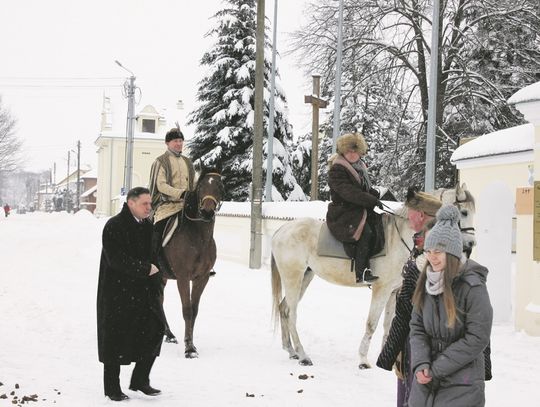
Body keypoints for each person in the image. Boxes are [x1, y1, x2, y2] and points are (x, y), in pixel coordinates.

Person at [408, 205, 493, 406]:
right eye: (428, 250)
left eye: (438, 251)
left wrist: (438, 367)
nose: (432, 256)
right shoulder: (426, 282)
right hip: (427, 379)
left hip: (463, 381)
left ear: (452, 252)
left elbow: (477, 337)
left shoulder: (472, 286)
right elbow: (417, 327)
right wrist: (421, 363)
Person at [97, 187, 164, 401]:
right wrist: (144, 269)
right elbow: (115, 259)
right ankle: (112, 388)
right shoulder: (113, 226)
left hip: (144, 292)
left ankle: (140, 380)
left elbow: (156, 256)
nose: (149, 208)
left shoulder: (148, 226)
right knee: (115, 339)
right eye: (145, 204)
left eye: (150, 204)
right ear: (131, 203)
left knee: (155, 330)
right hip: (117, 293)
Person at [376, 187, 442, 406]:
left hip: (423, 347)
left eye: (410, 212)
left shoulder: (433, 254)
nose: (407, 216)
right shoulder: (421, 244)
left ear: (421, 215)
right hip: (413, 345)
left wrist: (389, 351)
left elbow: (406, 310)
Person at [326, 132, 383, 283]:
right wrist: (370, 200)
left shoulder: (359, 167)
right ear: (342, 152)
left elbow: (362, 189)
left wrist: (374, 195)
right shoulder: (337, 169)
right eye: (348, 151)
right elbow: (349, 192)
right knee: (366, 232)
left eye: (355, 151)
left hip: (357, 209)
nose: (352, 154)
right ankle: (361, 272)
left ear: (360, 152)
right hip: (343, 211)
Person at [148, 127, 195, 273]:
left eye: (181, 141)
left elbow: (193, 182)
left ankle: (204, 263)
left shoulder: (188, 162)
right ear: (167, 143)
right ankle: (152, 261)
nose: (179, 144)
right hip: (166, 206)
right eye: (175, 141)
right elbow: (161, 185)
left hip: (186, 205)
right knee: (158, 229)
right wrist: (180, 193)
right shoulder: (160, 161)